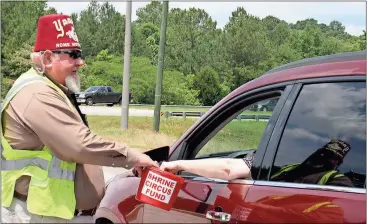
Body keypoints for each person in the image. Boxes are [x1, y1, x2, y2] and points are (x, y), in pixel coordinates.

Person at [1, 14, 158, 223]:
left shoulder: (53, 89)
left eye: (80, 54)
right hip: (35, 215)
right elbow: (79, 145)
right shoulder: (37, 94)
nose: (81, 62)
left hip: (51, 212)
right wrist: (133, 157)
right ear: (48, 58)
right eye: (73, 55)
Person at [160, 139, 353, 187]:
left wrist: (177, 165)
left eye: (331, 157)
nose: (323, 158)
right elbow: (230, 168)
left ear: (338, 162)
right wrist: (179, 165)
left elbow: (229, 169)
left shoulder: (338, 181)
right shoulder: (283, 166)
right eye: (322, 153)